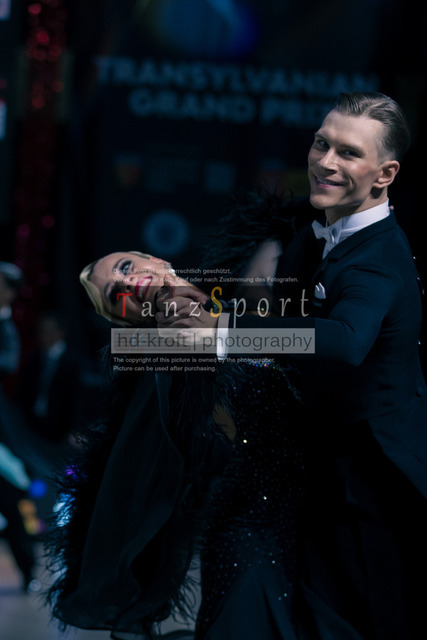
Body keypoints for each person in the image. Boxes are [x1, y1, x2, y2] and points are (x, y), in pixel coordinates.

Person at [157, 92, 427, 639]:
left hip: (370, 484)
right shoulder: (313, 234)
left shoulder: (377, 260)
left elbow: (345, 342)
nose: (325, 162)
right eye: (321, 143)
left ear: (385, 174)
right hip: (311, 468)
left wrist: (224, 330)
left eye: (348, 153)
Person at [46, 195, 309, 640]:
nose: (128, 283)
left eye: (125, 267)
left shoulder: (249, 275)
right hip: (256, 530)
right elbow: (140, 486)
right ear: (125, 319)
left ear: (156, 260)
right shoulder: (165, 366)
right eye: (115, 294)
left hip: (335, 499)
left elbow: (322, 341)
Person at [0, 261, 40, 592]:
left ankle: (28, 569)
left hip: (2, 438)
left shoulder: (6, 327)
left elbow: (8, 363)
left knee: (12, 500)